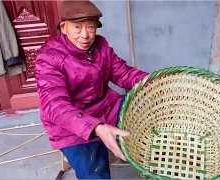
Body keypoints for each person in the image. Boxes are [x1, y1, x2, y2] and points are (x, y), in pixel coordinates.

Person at [35, 0, 148, 179]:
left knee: (145, 113)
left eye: (90, 27)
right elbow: (55, 106)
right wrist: (96, 127)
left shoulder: (101, 45)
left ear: (96, 27)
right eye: (77, 27)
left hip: (106, 109)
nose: (85, 35)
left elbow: (123, 74)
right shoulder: (49, 58)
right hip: (72, 127)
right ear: (64, 28)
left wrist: (154, 82)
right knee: (95, 173)